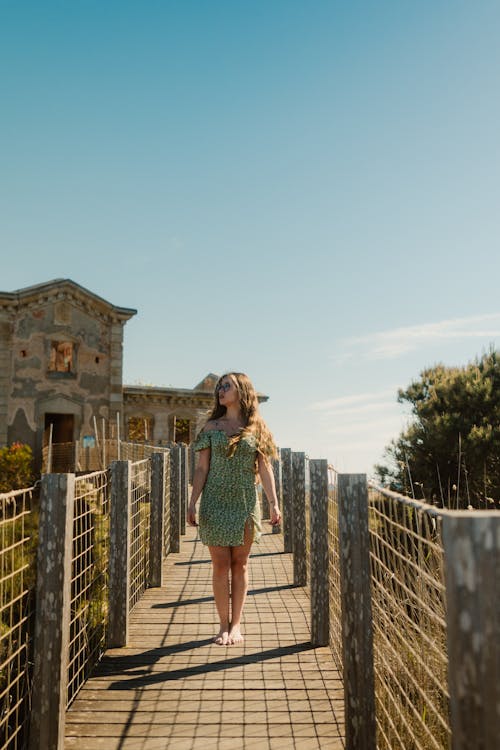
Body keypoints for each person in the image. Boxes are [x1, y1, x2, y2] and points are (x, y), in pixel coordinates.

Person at [187, 372, 281, 646]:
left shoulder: (256, 428)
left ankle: (236, 625)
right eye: (219, 386)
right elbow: (202, 468)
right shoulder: (210, 427)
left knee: (240, 565)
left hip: (244, 503)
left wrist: (274, 502)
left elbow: (265, 469)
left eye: (226, 386)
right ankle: (223, 626)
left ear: (242, 391)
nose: (221, 390)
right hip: (214, 502)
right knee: (220, 565)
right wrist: (192, 501)